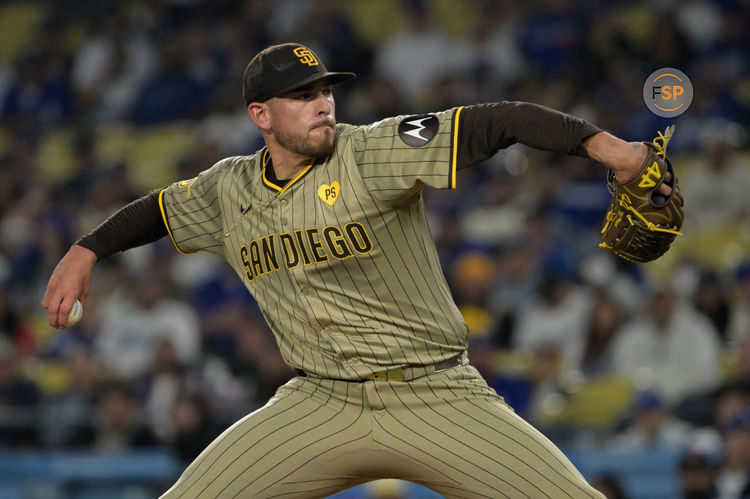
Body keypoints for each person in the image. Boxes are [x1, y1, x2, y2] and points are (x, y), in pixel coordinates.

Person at [42, 43, 675, 498]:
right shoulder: (227, 188)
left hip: (436, 396)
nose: (322, 104)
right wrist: (86, 249)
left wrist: (609, 148)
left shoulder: (372, 150)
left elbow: (498, 122)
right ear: (260, 115)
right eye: (301, 95)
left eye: (325, 90)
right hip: (320, 400)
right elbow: (157, 211)